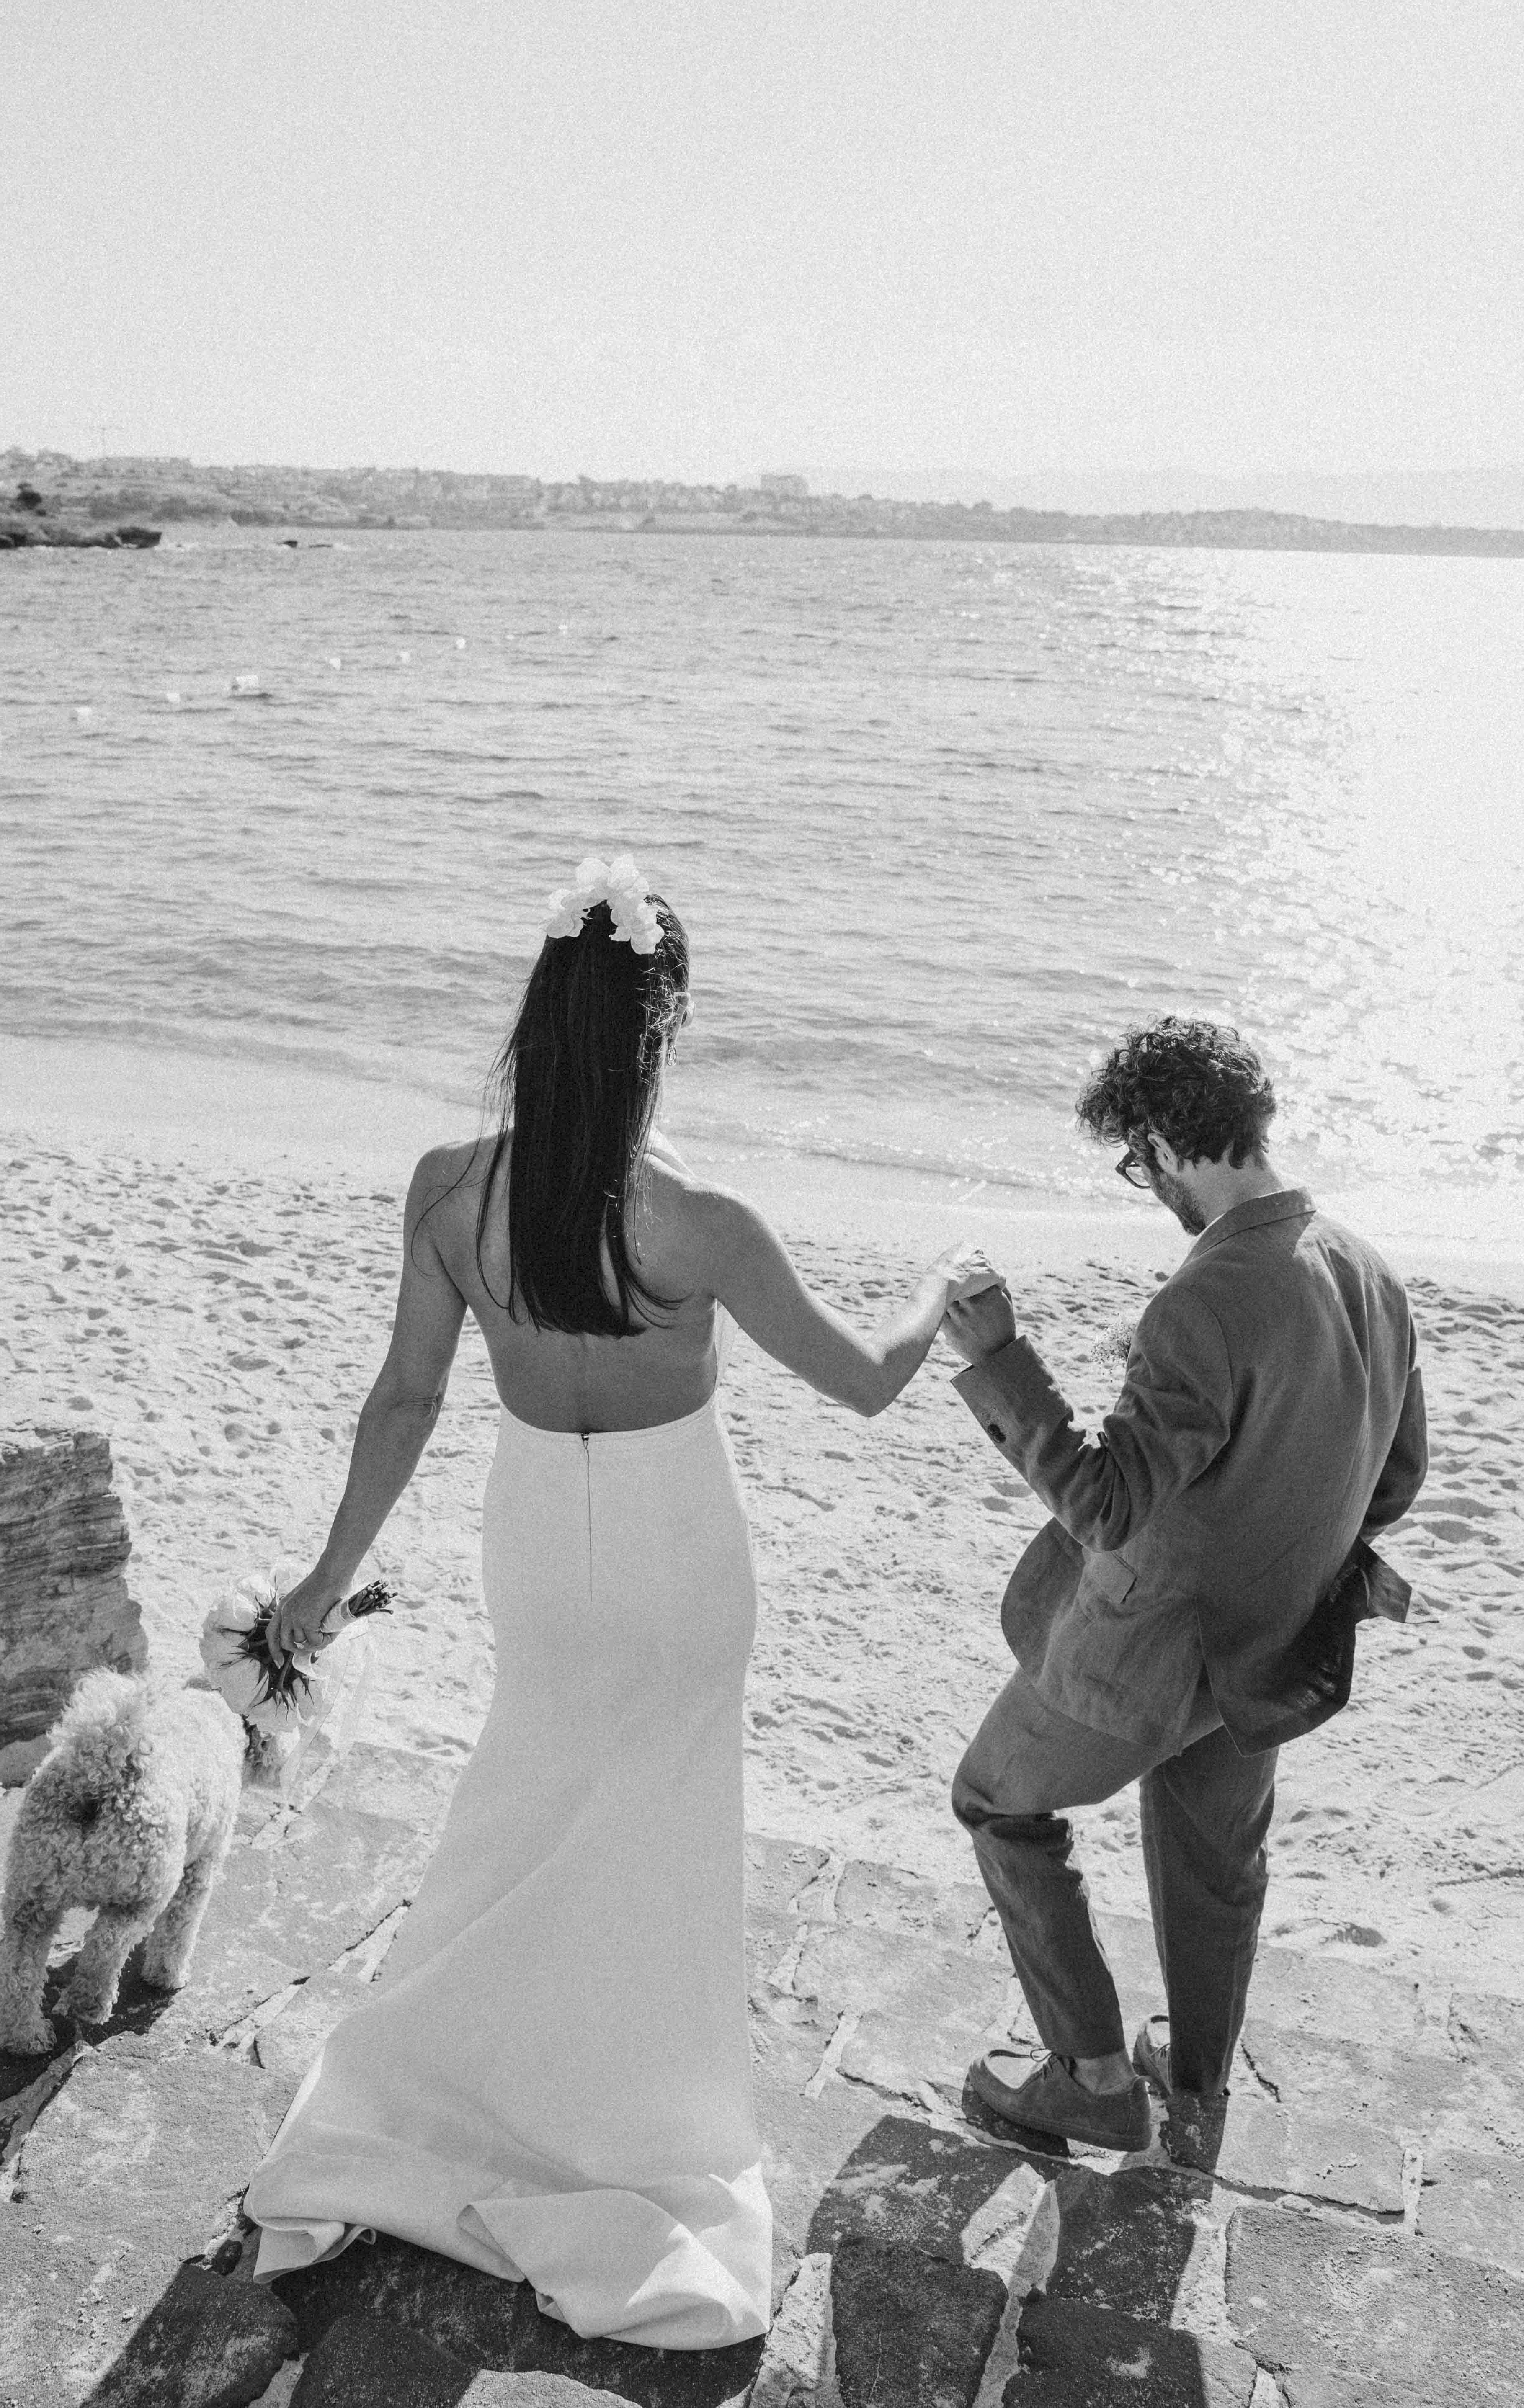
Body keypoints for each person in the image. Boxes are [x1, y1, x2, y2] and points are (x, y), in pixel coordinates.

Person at [244, 855, 981, 2346]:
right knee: (659, 1842)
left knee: (521, 1808)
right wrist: (942, 1292)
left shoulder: (450, 1190)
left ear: (539, 1014)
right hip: (680, 1551)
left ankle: (448, 2092)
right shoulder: (700, 1219)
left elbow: (404, 1400)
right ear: (665, 1028)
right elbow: (865, 1381)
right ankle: (628, 2129)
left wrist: (327, 1577)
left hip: (536, 1541)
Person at [941, 1016, 1426, 2156]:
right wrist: (1278, 1545)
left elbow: (1106, 1505)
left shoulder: (1203, 1300)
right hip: (1274, 1645)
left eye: (1135, 1159)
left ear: (1165, 1143)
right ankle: (1198, 2087)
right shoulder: (1368, 1267)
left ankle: (1093, 2079)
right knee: (1215, 1861)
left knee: (997, 1803)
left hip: (1148, 1650)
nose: (1142, 1181)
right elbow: (1397, 1477)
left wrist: (998, 1355)